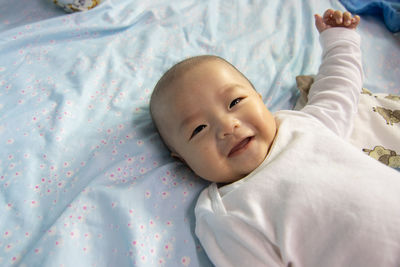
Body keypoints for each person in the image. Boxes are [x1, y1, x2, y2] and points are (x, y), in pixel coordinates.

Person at [150, 9, 400, 267]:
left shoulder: (303, 126)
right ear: (182, 159)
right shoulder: (225, 213)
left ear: (260, 98)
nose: (227, 126)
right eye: (198, 129)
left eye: (235, 101)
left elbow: (339, 88)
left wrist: (340, 39)